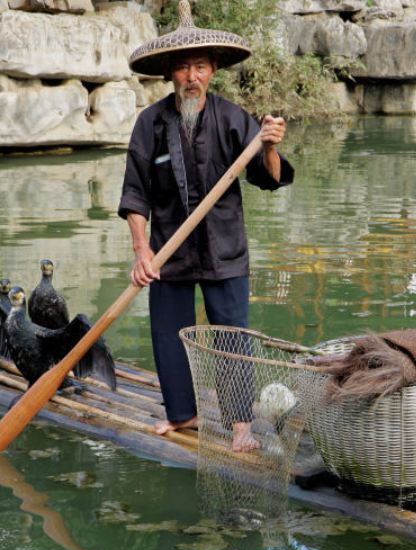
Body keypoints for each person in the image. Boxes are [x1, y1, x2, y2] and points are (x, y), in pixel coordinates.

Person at [119, 0, 294, 452]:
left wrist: (270, 145)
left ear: (213, 69)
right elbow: (134, 194)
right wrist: (141, 251)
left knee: (232, 337)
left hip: (224, 249)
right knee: (168, 334)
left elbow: (269, 178)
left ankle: (240, 426)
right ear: (169, 74)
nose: (191, 77)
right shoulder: (150, 124)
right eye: (182, 68)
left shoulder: (235, 119)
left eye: (199, 66)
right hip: (168, 251)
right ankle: (183, 416)